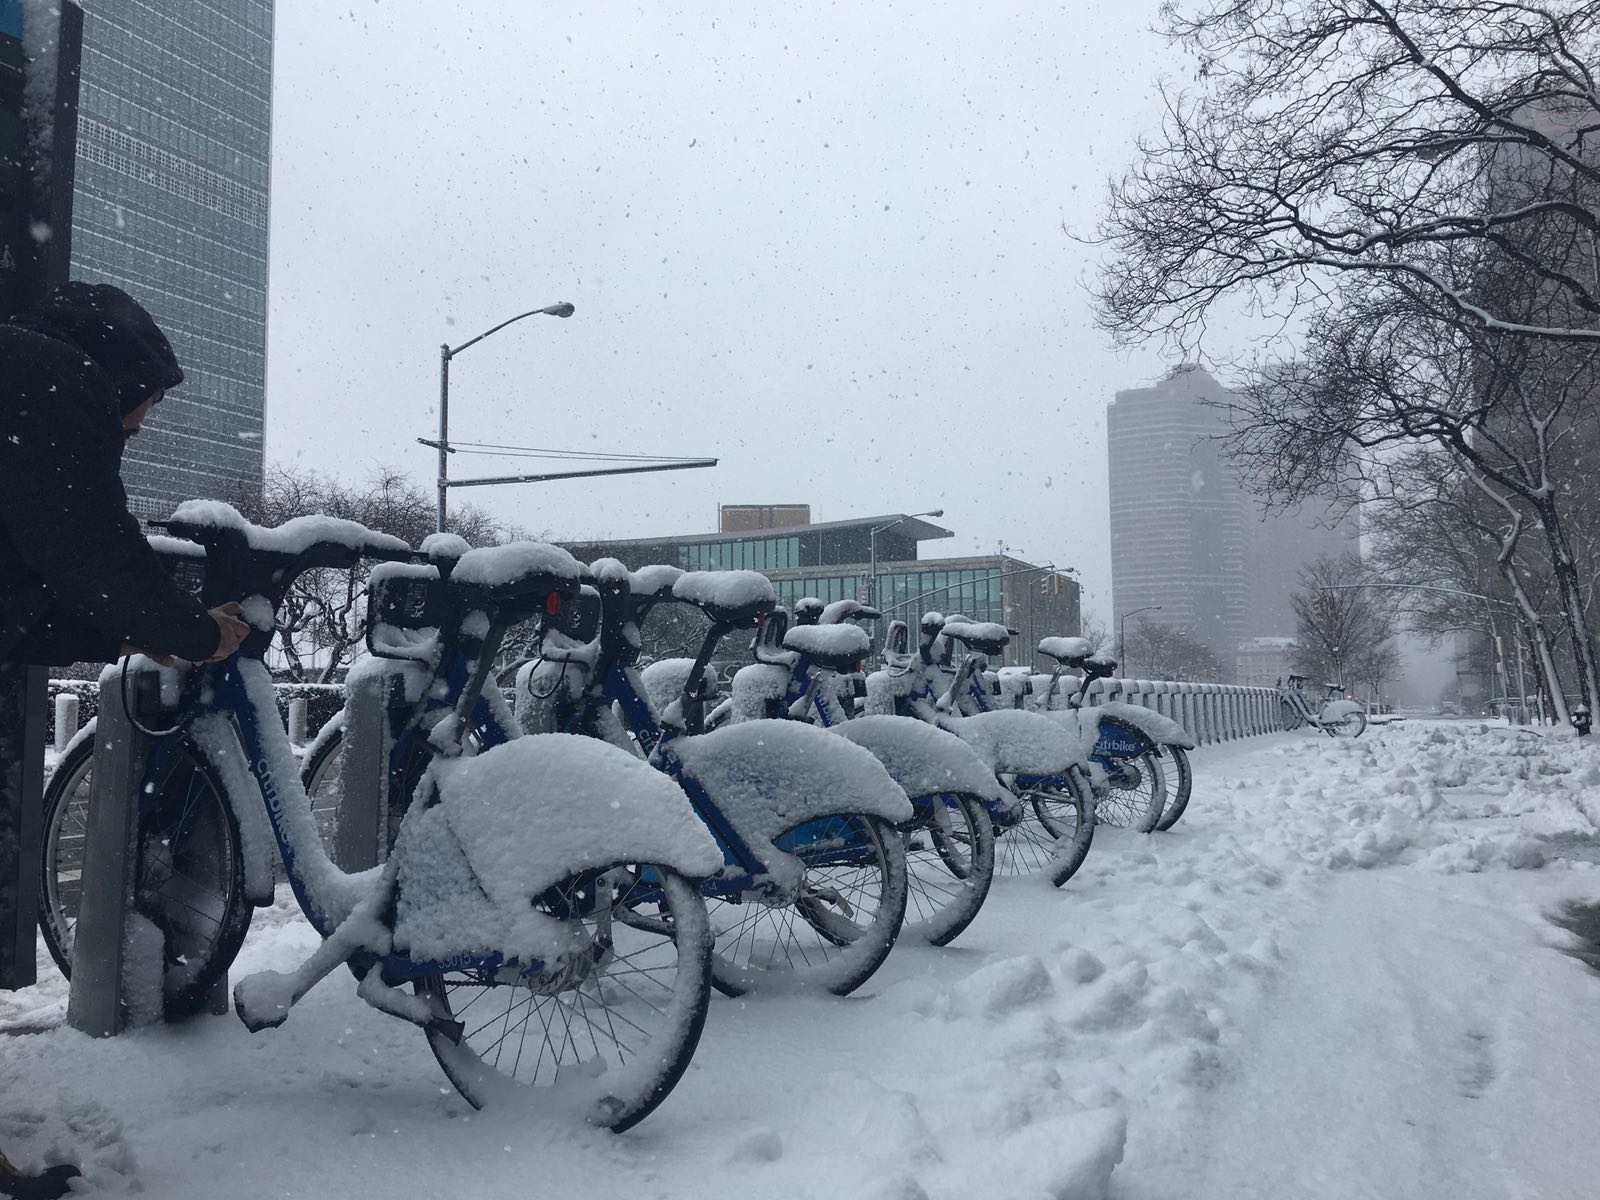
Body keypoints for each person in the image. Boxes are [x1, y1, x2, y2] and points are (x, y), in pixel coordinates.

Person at [0, 282, 249, 1200]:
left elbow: (34, 573)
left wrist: (137, 626)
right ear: (124, 367)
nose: (140, 427)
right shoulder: (50, 375)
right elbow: (85, 544)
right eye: (148, 404)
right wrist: (187, 629)